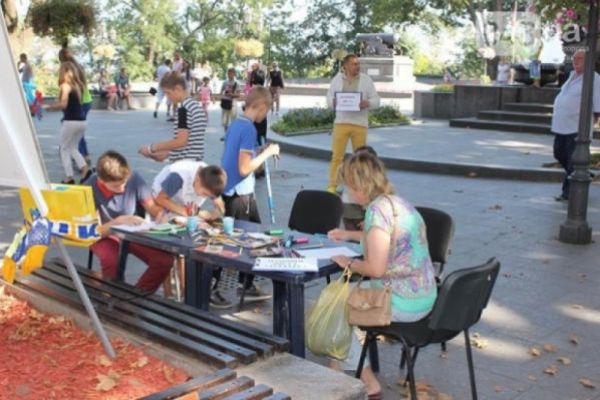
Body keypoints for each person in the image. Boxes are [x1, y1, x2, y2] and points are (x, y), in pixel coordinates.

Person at [327, 152, 437, 398]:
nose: (346, 191)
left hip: (402, 302)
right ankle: (334, 370)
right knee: (344, 299)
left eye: (347, 185)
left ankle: (367, 381)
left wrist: (349, 263)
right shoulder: (396, 203)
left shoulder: (376, 212)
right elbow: (385, 237)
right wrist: (349, 235)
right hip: (424, 295)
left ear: (359, 185)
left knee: (337, 303)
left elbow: (375, 269)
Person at [213, 86, 280, 309]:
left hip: (232, 190)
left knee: (247, 239)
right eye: (266, 110)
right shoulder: (249, 129)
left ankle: (245, 283)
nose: (265, 115)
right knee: (242, 241)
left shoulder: (236, 124)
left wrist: (260, 150)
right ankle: (215, 286)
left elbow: (238, 155)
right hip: (240, 192)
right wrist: (267, 154)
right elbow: (244, 168)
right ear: (260, 106)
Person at [87, 151, 173, 294]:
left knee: (164, 261)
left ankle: (136, 297)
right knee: (112, 260)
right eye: (115, 186)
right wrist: (117, 222)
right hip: (103, 235)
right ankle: (112, 297)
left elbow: (151, 206)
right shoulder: (89, 188)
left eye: (124, 183)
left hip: (130, 232)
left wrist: (161, 214)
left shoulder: (134, 178)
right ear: (101, 180)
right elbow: (90, 233)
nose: (122, 189)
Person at [326, 53, 380, 193]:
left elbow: (376, 100)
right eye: (354, 64)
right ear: (345, 65)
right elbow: (329, 98)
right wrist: (333, 102)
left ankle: (360, 187)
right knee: (337, 157)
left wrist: (367, 103)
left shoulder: (366, 80)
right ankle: (332, 186)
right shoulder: (337, 79)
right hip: (341, 123)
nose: (357, 66)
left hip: (359, 124)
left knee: (360, 158)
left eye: (358, 64)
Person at [551, 49, 600, 201]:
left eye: (579, 58)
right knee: (559, 153)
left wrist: (596, 118)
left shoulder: (594, 78)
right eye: (574, 58)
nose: (575, 60)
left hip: (577, 126)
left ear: (589, 61)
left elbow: (598, 101)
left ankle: (568, 193)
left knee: (573, 159)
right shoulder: (572, 75)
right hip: (561, 125)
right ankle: (582, 172)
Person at [139, 71, 206, 163]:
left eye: (168, 93)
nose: (167, 97)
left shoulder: (183, 110)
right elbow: (191, 141)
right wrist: (169, 153)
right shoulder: (196, 106)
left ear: (178, 88)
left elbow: (181, 141)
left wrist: (151, 148)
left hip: (184, 165)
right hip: (196, 162)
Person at [44, 61, 91, 184]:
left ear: (63, 73)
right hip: (82, 121)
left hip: (71, 121)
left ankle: (69, 177)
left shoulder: (65, 86)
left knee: (63, 149)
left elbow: (63, 104)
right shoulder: (79, 85)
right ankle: (85, 169)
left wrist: (49, 107)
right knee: (72, 147)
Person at [152, 160, 226, 221]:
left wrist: (217, 211)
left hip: (180, 196)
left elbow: (219, 202)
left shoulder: (210, 179)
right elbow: (160, 199)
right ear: (198, 180)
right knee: (163, 218)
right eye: (205, 194)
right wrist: (183, 211)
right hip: (162, 194)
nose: (204, 197)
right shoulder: (178, 178)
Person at [58, 47, 93, 164]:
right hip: (86, 100)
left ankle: (83, 154)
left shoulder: (67, 68)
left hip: (78, 101)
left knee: (73, 127)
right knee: (74, 126)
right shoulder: (79, 66)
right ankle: (76, 151)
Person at [339, 145, 378, 231]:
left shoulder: (371, 181)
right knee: (351, 234)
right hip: (347, 213)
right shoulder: (347, 174)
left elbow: (373, 205)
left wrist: (368, 220)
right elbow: (340, 189)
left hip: (361, 214)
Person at [220, 68, 240, 140]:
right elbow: (221, 91)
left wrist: (232, 94)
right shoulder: (225, 82)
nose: (229, 74)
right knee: (225, 120)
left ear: (234, 74)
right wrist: (222, 96)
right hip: (225, 102)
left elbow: (238, 95)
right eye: (228, 73)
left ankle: (232, 135)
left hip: (232, 103)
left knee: (233, 120)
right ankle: (226, 135)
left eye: (231, 73)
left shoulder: (236, 83)